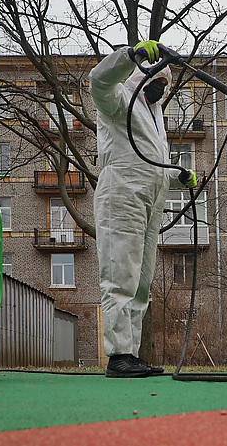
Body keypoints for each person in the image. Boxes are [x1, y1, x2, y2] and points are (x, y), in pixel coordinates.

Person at [89, 40, 197, 378]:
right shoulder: (118, 101)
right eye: (153, 81)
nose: (158, 89)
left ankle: (130, 354)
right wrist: (129, 55)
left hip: (151, 200)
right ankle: (118, 355)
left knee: (141, 281)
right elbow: (99, 80)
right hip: (121, 193)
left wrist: (178, 177)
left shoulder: (156, 120)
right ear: (138, 77)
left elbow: (152, 165)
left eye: (164, 84)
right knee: (121, 272)